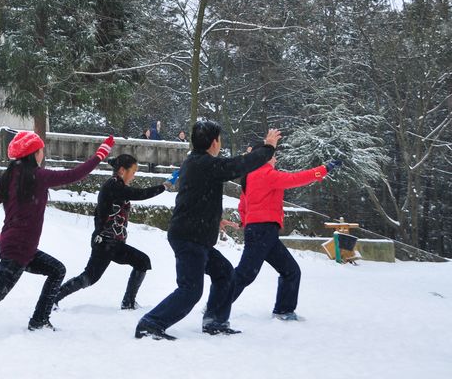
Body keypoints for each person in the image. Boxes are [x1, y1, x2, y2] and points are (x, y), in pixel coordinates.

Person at [0, 132, 115, 337]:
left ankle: (39, 320)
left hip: (19, 246)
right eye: (41, 150)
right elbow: (74, 175)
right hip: (19, 249)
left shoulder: (10, 176)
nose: (43, 154)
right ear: (33, 153)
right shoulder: (38, 176)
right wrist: (99, 155)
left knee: (57, 270)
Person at [134, 120, 281, 340]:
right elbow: (239, 165)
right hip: (189, 237)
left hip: (196, 235)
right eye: (220, 140)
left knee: (225, 274)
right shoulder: (205, 164)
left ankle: (215, 321)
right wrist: (268, 147)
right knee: (190, 290)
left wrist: (213, 219)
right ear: (214, 142)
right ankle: (151, 323)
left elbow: (194, 197)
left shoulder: (195, 163)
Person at [230, 145, 342, 320]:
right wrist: (323, 169)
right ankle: (216, 305)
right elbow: (295, 178)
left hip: (263, 231)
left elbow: (243, 204)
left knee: (290, 271)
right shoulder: (266, 174)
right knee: (246, 274)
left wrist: (245, 221)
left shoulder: (250, 176)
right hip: (262, 230)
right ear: (265, 158)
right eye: (273, 157)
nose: (276, 160)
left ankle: (284, 311)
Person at [55, 154, 179, 311]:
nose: (133, 177)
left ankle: (128, 302)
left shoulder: (116, 186)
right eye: (133, 172)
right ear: (122, 170)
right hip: (106, 242)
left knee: (141, 262)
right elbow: (139, 194)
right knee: (90, 277)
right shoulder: (113, 186)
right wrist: (165, 186)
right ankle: (54, 297)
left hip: (112, 242)